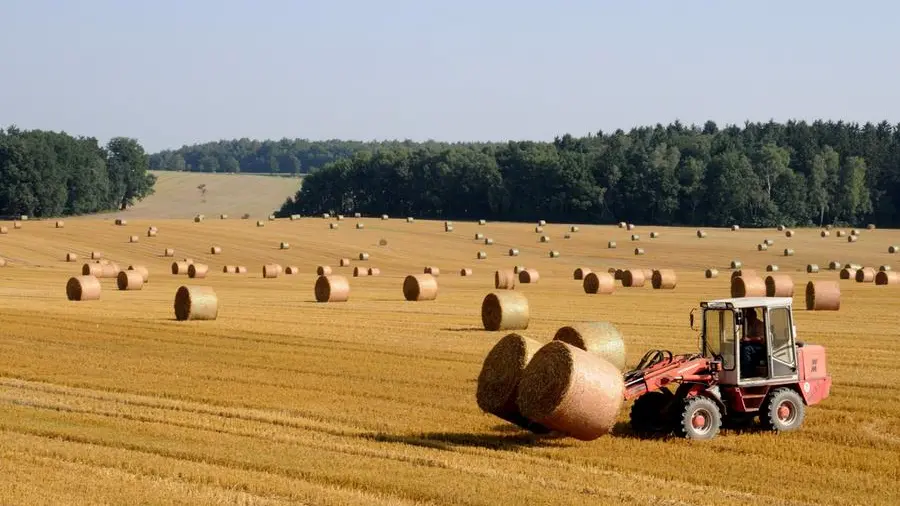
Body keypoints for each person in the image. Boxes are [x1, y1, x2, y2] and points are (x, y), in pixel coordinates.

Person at [740, 309, 766, 376]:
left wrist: (749, 339)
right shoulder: (749, 325)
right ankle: (741, 368)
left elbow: (761, 338)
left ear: (754, 316)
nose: (747, 319)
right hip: (752, 345)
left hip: (761, 347)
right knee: (739, 347)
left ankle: (748, 371)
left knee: (746, 349)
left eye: (748, 317)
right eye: (746, 317)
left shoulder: (759, 324)